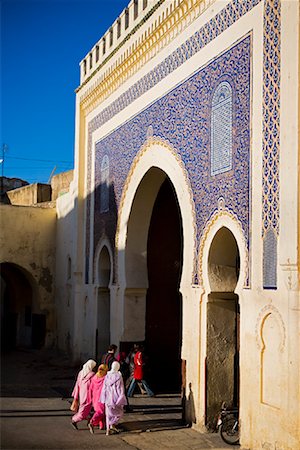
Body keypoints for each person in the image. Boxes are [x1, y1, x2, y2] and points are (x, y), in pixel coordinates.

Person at [100, 361, 127, 435]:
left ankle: (108, 429)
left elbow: (104, 387)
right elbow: (121, 388)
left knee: (108, 414)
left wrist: (103, 397)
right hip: (116, 397)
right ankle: (113, 424)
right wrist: (122, 396)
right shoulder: (119, 376)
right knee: (119, 413)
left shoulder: (107, 376)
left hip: (108, 397)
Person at [70, 359, 96, 430]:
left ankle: (89, 420)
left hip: (81, 394)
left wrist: (76, 394)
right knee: (83, 411)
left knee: (86, 409)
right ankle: (74, 420)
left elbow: (77, 383)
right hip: (88, 395)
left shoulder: (81, 373)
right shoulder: (92, 375)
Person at [88, 364, 108, 434]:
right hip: (102, 398)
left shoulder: (94, 378)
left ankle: (102, 426)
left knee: (100, 412)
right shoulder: (105, 378)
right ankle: (92, 422)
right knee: (101, 412)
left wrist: (90, 397)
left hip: (95, 398)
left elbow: (90, 388)